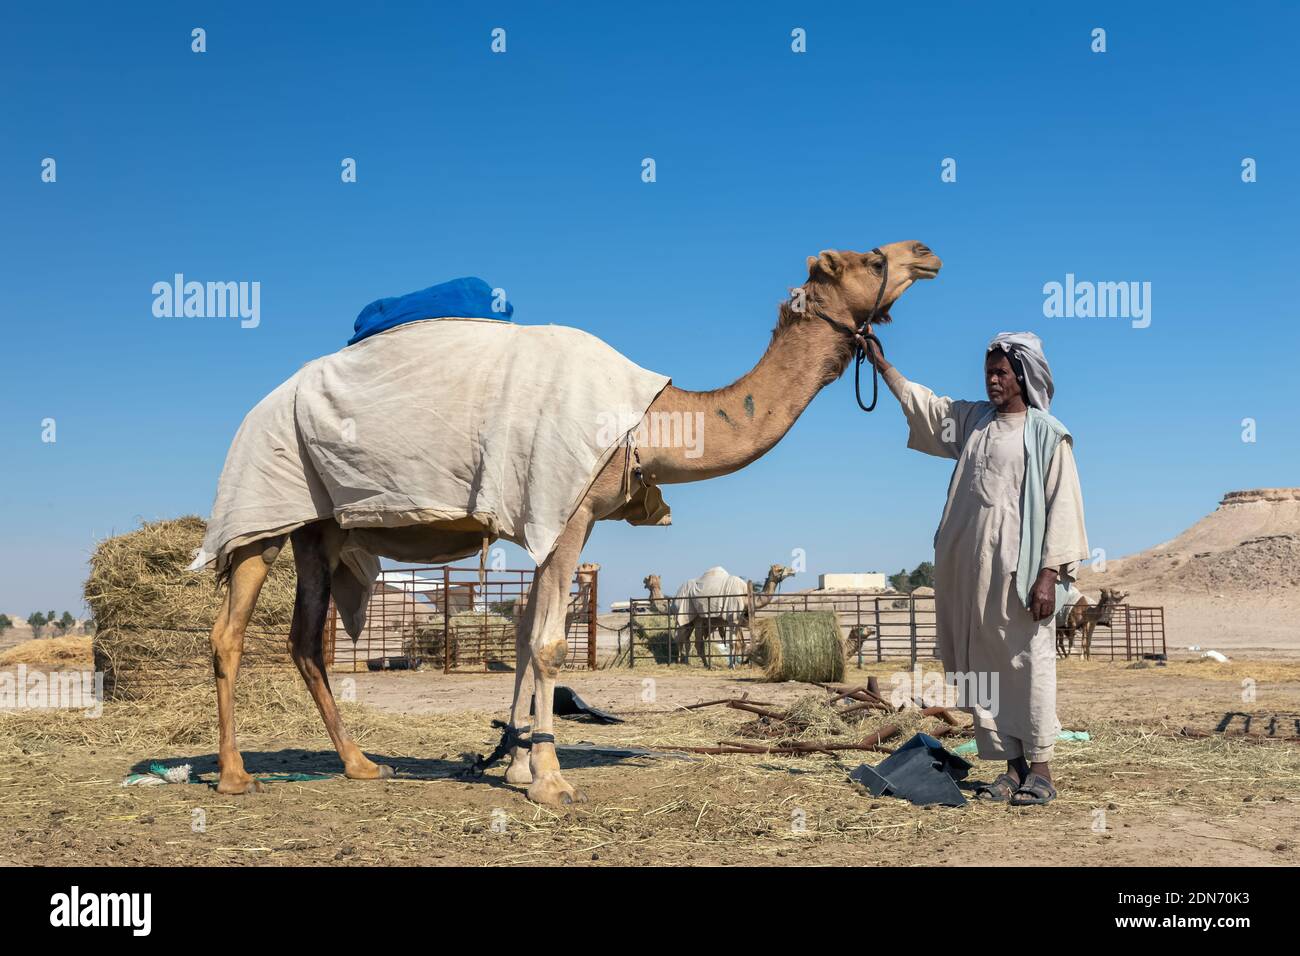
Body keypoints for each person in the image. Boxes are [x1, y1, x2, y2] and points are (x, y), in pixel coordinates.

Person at [861, 330, 1089, 805]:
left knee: (1028, 663)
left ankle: (1041, 770)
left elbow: (1063, 506)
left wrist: (1049, 575)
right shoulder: (975, 422)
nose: (992, 380)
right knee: (984, 668)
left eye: (1001, 372)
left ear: (1023, 376)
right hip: (970, 574)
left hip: (1021, 575)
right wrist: (883, 366)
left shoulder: (1047, 434)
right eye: (988, 372)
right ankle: (1011, 768)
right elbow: (927, 406)